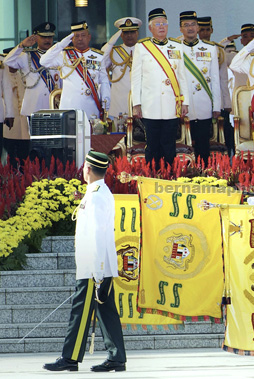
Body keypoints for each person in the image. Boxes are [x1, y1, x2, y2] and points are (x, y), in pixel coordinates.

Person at [43, 151, 126, 372]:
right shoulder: (97, 192)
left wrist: (98, 272)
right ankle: (117, 358)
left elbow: (98, 234)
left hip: (93, 267)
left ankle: (70, 357)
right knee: (106, 310)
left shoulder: (97, 195)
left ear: (87, 169)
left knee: (80, 310)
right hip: (96, 265)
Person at [131, 8, 189, 167]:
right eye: (157, 24)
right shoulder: (142, 47)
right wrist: (137, 103)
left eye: (164, 23)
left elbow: (182, 76)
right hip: (151, 105)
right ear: (150, 28)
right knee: (152, 146)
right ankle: (151, 176)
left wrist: (185, 102)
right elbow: (136, 78)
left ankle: (170, 175)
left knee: (169, 145)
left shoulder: (177, 46)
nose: (162, 27)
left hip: (172, 104)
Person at [3, 22, 59, 165]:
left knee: (55, 145)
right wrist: (22, 45)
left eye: (50, 37)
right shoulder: (26, 56)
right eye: (43, 37)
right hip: (34, 107)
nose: (47, 40)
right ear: (36, 38)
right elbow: (8, 61)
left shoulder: (58, 56)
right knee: (36, 146)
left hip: (54, 107)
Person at [39, 21, 110, 120]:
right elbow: (43, 61)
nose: (80, 38)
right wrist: (61, 45)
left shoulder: (98, 56)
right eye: (76, 36)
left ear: (89, 37)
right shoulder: (63, 55)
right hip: (69, 107)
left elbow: (104, 80)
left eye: (83, 35)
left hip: (91, 108)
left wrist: (106, 99)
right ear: (71, 38)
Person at [178, 11, 221, 165]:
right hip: (182, 104)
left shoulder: (209, 48)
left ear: (198, 27)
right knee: (182, 145)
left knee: (203, 145)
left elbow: (215, 79)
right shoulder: (174, 48)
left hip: (204, 103)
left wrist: (217, 105)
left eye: (193, 25)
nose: (190, 28)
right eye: (186, 25)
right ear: (181, 28)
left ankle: (203, 175)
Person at [198, 16, 234, 156]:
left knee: (225, 135)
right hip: (199, 100)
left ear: (212, 30)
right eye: (202, 30)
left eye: (208, 29)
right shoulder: (187, 49)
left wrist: (226, 102)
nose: (205, 33)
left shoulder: (218, 50)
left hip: (216, 100)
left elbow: (223, 79)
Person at [101, 17, 142, 120]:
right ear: (121, 34)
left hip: (141, 103)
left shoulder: (144, 50)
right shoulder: (113, 52)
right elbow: (101, 61)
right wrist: (111, 42)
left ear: (137, 33)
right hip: (119, 104)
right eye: (125, 32)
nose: (129, 35)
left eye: (132, 32)